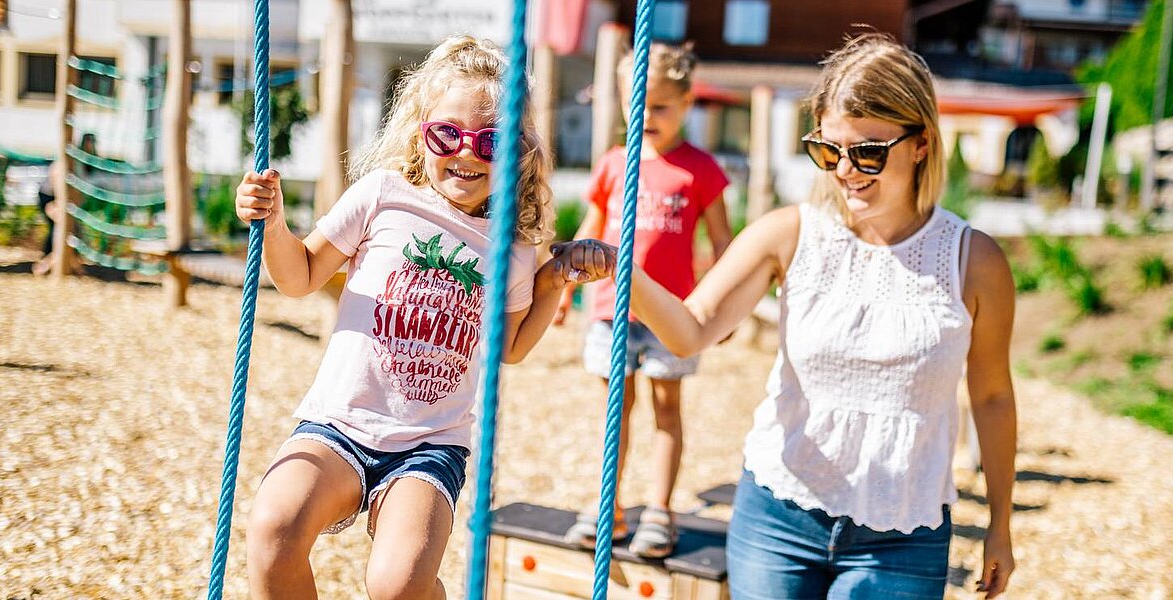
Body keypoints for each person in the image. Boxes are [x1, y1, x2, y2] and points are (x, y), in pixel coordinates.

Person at [606, 34, 1018, 598]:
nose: (845, 170)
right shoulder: (788, 233)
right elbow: (690, 332)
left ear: (921, 143)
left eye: (868, 151)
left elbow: (992, 396)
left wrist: (1000, 525)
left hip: (905, 530)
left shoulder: (975, 262)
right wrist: (619, 269)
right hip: (778, 516)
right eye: (828, 151)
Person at [233, 36, 614, 600]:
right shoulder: (382, 197)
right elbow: (299, 277)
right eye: (448, 134)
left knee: (400, 584)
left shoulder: (509, 246)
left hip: (429, 444)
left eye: (490, 141)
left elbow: (509, 347)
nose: (466, 153)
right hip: (338, 424)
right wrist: (273, 223)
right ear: (421, 130)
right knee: (274, 527)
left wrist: (551, 282)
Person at [556, 42, 732, 558]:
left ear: (686, 103)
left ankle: (659, 506)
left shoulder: (699, 170)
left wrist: (718, 308)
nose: (648, 117)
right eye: (638, 104)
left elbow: (723, 244)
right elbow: (591, 233)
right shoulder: (615, 164)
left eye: (661, 106)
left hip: (672, 316)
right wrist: (565, 290)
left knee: (667, 408)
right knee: (616, 409)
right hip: (612, 310)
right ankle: (607, 503)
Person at [33, 133, 96, 276]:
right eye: (87, 143)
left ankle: (60, 262)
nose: (89, 147)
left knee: (67, 230)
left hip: (66, 201)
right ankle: (49, 263)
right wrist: (61, 205)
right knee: (63, 229)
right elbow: (58, 186)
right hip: (52, 198)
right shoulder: (63, 164)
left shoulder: (85, 163)